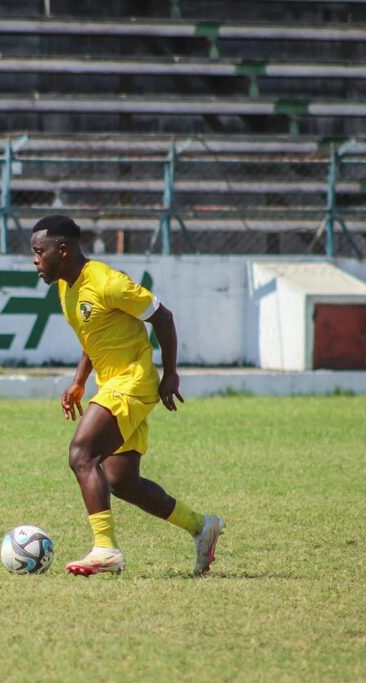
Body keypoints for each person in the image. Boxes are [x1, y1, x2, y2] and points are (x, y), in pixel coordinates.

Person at [30, 215, 225, 577]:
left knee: (81, 454)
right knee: (122, 482)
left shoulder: (107, 282)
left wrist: (170, 373)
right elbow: (95, 335)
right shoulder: (66, 288)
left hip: (132, 381)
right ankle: (202, 526)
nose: (35, 260)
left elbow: (162, 317)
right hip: (112, 384)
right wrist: (79, 382)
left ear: (63, 250)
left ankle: (105, 549)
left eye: (40, 252)